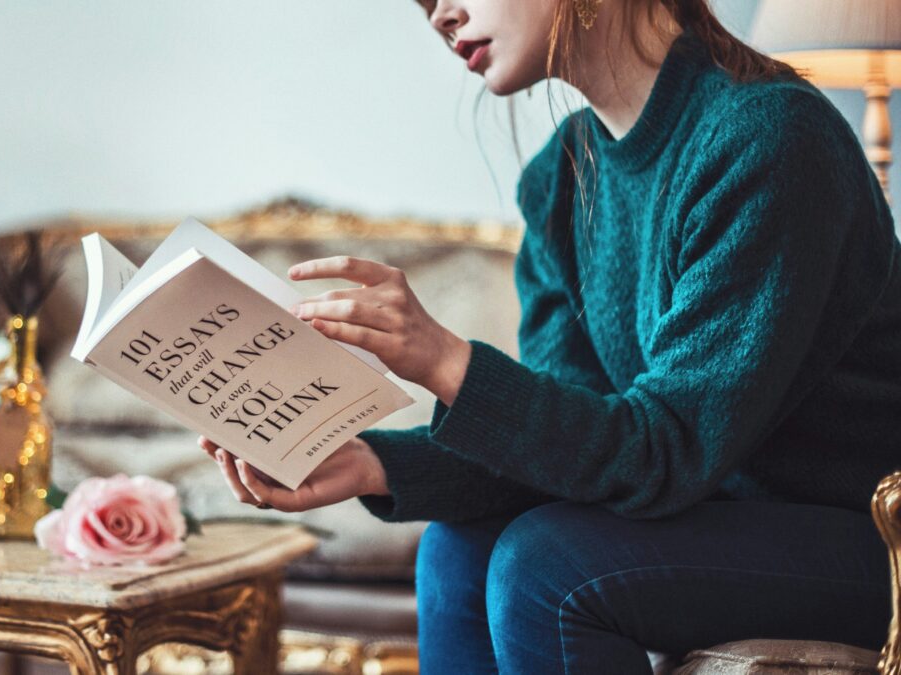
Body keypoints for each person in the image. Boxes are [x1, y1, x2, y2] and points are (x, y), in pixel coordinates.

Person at [198, 0, 900, 672]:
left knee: (545, 565)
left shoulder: (768, 137)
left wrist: (446, 360)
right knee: (455, 551)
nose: (438, 14)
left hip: (868, 539)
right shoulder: (562, 181)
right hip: (720, 519)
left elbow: (668, 450)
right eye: (423, 1)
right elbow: (568, 437)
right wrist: (371, 463)